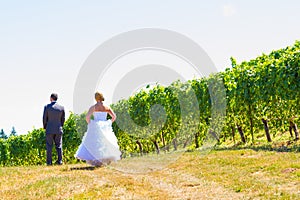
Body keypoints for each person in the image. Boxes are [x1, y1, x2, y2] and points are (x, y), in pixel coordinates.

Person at [75, 92, 121, 166]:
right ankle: (105, 160)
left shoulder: (93, 107)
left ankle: (97, 161)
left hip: (96, 125)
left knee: (95, 143)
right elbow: (114, 117)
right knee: (106, 143)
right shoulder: (107, 107)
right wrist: (108, 123)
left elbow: (87, 117)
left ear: (96, 98)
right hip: (105, 126)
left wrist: (91, 123)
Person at [43, 93, 65, 166]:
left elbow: (44, 119)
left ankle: (49, 162)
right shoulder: (61, 108)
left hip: (49, 129)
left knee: (49, 146)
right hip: (58, 129)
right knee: (59, 146)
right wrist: (60, 126)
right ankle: (60, 161)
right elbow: (63, 119)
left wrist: (45, 127)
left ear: (51, 98)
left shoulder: (47, 107)